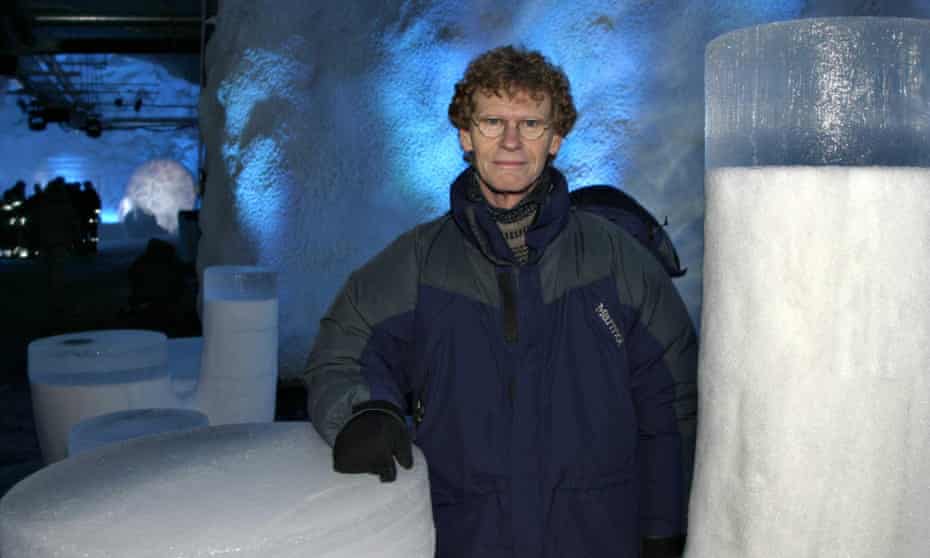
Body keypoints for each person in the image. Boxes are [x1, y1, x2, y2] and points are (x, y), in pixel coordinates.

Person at [305, 45, 697, 558]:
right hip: (466, 538)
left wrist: (664, 528)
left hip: (596, 538)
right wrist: (363, 411)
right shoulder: (418, 264)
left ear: (556, 138)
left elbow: (673, 403)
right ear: (466, 136)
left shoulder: (619, 263)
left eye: (531, 123)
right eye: (492, 121)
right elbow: (343, 348)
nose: (511, 140)